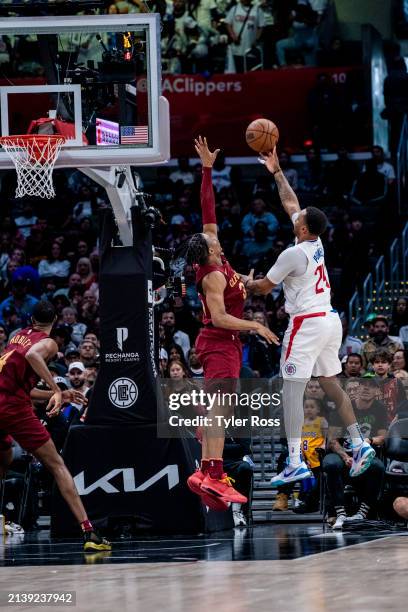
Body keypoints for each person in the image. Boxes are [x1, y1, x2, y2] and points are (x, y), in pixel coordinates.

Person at [245, 147, 375, 487]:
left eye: (299, 219)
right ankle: (359, 444)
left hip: (306, 323)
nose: (295, 216)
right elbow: (290, 203)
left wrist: (245, 280)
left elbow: (261, 289)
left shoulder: (292, 254)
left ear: (303, 229)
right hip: (331, 320)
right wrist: (276, 171)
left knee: (291, 391)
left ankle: (293, 462)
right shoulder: (315, 243)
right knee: (331, 383)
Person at [184, 136, 278, 510]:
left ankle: (205, 472)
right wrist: (255, 325)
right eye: (212, 241)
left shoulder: (217, 256)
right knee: (220, 409)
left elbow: (208, 210)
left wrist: (207, 168)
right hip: (219, 342)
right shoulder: (212, 276)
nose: (215, 237)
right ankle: (214, 472)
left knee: (219, 408)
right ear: (208, 253)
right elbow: (221, 317)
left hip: (222, 344)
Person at [0, 300, 110, 551]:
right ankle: (89, 532)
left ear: (31, 320)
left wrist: (64, 393)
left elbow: (21, 390)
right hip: (14, 410)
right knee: (58, 465)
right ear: (54, 321)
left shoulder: (17, 337)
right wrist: (56, 390)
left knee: (4, 458)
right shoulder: (46, 342)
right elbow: (33, 355)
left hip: (5, 401)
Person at [323, 377, 387, 529]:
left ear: (377, 391)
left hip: (364, 454)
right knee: (331, 463)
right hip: (341, 453)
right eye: (363, 384)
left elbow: (382, 437)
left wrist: (368, 441)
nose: (366, 388)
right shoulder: (342, 407)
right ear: (356, 388)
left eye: (371, 386)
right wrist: (346, 457)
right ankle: (340, 513)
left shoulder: (380, 409)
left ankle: (362, 513)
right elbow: (332, 440)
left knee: (378, 467)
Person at [224, 0, 265, 73]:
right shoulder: (235, 8)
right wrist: (233, 36)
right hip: (237, 49)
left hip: (250, 49)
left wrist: (256, 39)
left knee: (250, 72)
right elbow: (228, 23)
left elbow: (261, 26)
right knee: (238, 72)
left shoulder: (257, 10)